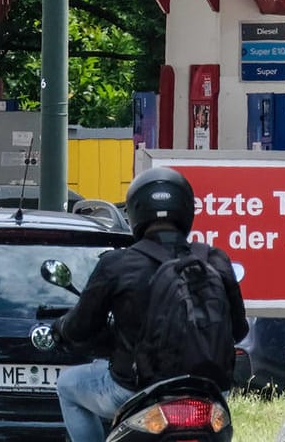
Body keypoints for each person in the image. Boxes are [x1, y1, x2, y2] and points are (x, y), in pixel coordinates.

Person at [54, 167, 247, 442]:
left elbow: (80, 329)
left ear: (134, 211)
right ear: (186, 210)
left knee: (67, 386)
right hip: (209, 391)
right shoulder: (215, 259)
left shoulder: (117, 263)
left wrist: (61, 327)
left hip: (135, 389)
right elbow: (239, 331)